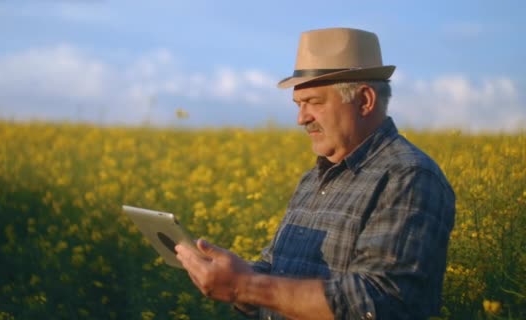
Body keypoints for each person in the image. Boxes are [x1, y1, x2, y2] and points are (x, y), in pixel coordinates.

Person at [175, 27, 455, 320]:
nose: (301, 118)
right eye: (298, 104)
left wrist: (245, 286)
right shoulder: (312, 180)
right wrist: (230, 273)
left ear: (364, 101)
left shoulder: (408, 177)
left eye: (314, 102)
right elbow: (275, 272)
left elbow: (380, 303)